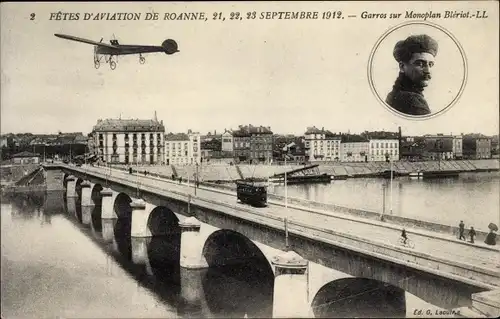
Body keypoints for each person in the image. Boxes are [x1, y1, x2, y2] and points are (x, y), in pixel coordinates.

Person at [386, 34, 438, 116]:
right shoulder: (413, 102)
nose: (427, 71)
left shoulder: (393, 95)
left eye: (430, 64)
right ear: (402, 67)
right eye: (420, 64)